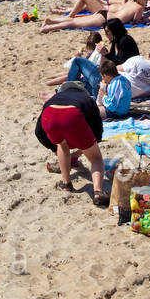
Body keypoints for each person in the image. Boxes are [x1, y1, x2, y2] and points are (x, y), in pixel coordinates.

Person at [36, 77, 109, 205]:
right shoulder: (87, 99)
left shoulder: (54, 99)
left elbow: (38, 131)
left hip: (50, 114)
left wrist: (53, 149)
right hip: (72, 115)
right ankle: (97, 192)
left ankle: (66, 183)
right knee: (96, 159)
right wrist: (94, 142)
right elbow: (97, 126)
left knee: (61, 145)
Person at [40, 0, 150, 33]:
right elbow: (135, 22)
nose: (146, 1)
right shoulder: (140, 7)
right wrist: (147, 19)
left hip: (105, 14)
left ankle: (51, 21)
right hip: (106, 19)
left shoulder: (130, 2)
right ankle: (49, 27)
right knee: (75, 23)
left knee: (77, 21)